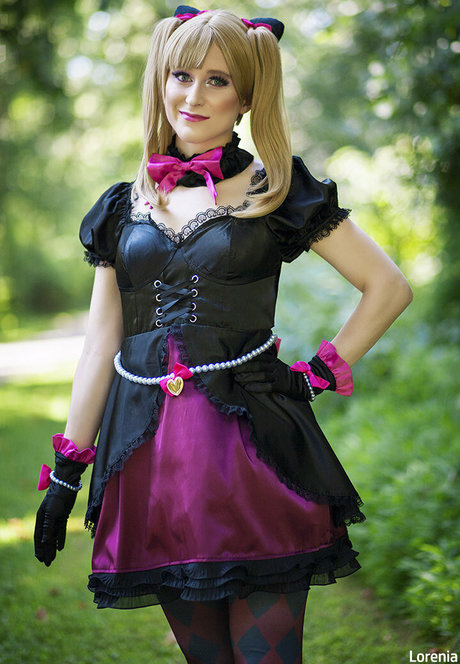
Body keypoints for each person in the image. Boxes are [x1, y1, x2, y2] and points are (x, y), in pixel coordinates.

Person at [34, 6, 413, 663]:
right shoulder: (123, 206)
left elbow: (387, 287)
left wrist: (316, 373)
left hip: (254, 453)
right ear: (161, 79)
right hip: (151, 463)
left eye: (218, 80)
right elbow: (101, 343)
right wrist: (69, 469)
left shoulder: (276, 189)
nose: (194, 95)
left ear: (246, 96)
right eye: (182, 75)